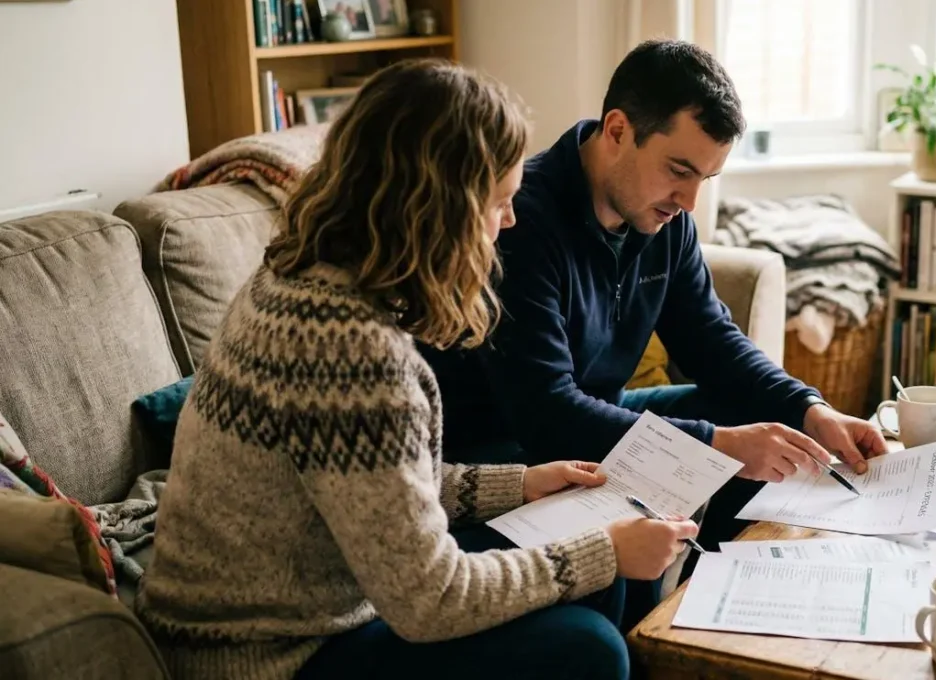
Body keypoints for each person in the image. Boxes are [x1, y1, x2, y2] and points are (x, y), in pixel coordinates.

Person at [134, 59, 697, 680]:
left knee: (593, 583)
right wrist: (604, 553)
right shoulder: (353, 355)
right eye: (500, 202)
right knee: (591, 644)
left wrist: (523, 483)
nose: (509, 222)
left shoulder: (304, 279)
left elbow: (375, 485)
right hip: (268, 655)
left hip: (307, 604)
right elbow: (430, 600)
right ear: (441, 210)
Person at [427, 38, 888, 565]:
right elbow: (546, 413)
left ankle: (721, 586)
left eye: (706, 178)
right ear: (619, 130)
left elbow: (713, 340)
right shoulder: (518, 221)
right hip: (507, 450)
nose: (690, 203)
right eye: (679, 171)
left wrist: (810, 409)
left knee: (753, 415)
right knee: (728, 441)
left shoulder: (665, 221)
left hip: (601, 415)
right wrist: (717, 446)